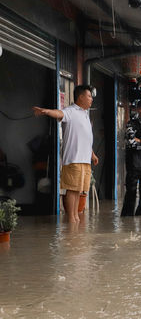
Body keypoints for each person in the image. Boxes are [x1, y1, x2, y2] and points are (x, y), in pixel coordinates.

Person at [32, 85, 98, 224]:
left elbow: (85, 137)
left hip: (85, 160)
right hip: (74, 158)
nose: (91, 99)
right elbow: (59, 113)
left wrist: (92, 154)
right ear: (80, 97)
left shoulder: (85, 114)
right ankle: (71, 218)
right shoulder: (71, 111)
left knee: (78, 190)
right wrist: (46, 111)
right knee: (72, 190)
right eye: (89, 96)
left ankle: (75, 217)